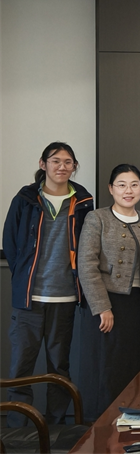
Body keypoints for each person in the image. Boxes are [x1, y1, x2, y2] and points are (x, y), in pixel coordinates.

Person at [2, 142, 93, 427]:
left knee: (59, 369)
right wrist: (24, 277)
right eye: (55, 161)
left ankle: (55, 429)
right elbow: (10, 243)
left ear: (74, 166)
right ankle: (17, 430)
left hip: (65, 298)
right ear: (43, 164)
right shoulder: (26, 198)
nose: (62, 167)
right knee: (21, 367)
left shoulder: (84, 201)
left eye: (68, 162)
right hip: (29, 298)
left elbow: (88, 248)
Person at [77, 163, 140, 422]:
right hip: (105, 303)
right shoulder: (97, 218)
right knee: (105, 367)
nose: (128, 190)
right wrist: (102, 307)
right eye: (121, 185)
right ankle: (99, 425)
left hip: (136, 304)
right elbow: (86, 264)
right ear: (111, 189)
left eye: (134, 185)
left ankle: (128, 421)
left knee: (132, 365)